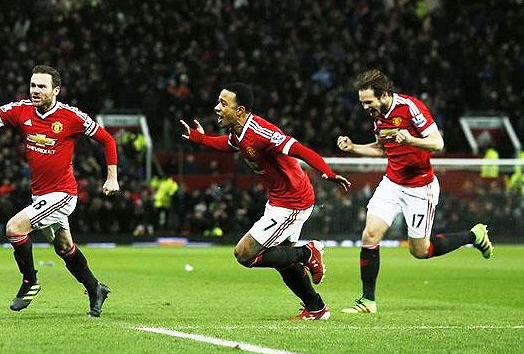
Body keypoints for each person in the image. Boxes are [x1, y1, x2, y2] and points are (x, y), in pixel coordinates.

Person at [0, 65, 119, 317]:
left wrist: (112, 177)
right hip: (40, 195)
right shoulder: (21, 110)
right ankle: (95, 289)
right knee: (64, 248)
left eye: (41, 86)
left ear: (56, 90)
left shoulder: (71, 117)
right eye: (33, 85)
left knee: (14, 228)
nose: (35, 90)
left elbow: (108, 139)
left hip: (62, 194)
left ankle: (30, 282)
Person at [180, 83, 351, 320]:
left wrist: (327, 172)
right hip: (280, 200)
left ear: (239, 111)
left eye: (223, 103)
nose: (217, 108)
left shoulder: (261, 133)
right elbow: (227, 145)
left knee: (244, 253)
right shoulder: (237, 132)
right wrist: (200, 139)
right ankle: (316, 308)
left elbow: (300, 149)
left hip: (293, 201)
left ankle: (308, 253)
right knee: (284, 261)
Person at [337, 69, 494, 314]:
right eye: (362, 103)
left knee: (420, 251)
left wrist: (411, 140)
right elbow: (382, 149)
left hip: (420, 187)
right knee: (370, 235)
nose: (365, 107)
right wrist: (353, 147)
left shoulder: (411, 108)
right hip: (392, 182)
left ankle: (473, 236)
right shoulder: (378, 116)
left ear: (384, 95)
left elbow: (438, 143)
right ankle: (368, 301)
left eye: (368, 102)